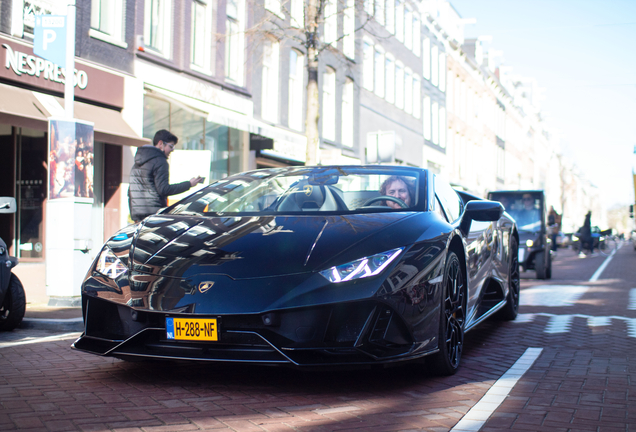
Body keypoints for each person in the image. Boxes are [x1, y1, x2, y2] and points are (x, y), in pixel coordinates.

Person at [128, 129, 204, 222]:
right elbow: (164, 189)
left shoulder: (137, 162)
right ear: (160, 144)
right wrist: (189, 184)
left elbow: (130, 191)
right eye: (170, 146)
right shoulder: (160, 161)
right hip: (154, 215)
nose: (172, 150)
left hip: (137, 215)